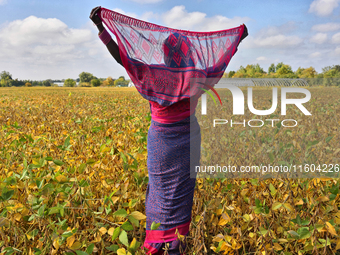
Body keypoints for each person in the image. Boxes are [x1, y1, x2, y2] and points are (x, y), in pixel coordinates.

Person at [90, 6, 247, 254]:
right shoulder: (197, 74)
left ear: (165, 54)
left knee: (161, 191)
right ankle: (176, 244)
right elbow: (220, 63)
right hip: (189, 139)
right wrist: (237, 41)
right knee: (181, 192)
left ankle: (157, 244)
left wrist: (102, 28)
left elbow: (123, 58)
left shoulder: (154, 73)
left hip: (161, 140)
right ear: (188, 54)